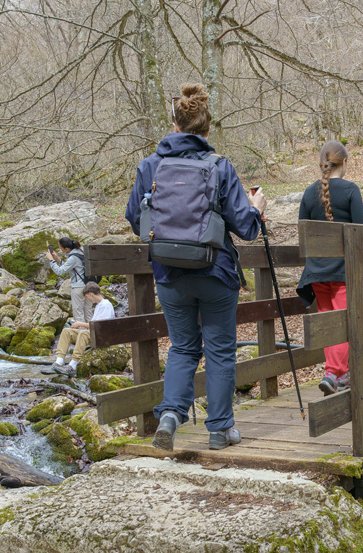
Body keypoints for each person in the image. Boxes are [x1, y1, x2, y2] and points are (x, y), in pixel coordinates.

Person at [124, 83, 267, 452]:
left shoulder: (150, 166)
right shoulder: (219, 166)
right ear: (206, 131)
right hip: (214, 271)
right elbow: (247, 228)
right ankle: (220, 430)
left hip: (169, 272)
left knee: (183, 347)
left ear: (174, 125)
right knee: (219, 348)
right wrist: (257, 207)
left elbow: (133, 217)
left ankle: (170, 416)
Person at [296, 140, 363, 396]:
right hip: (342, 271)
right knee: (346, 322)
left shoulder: (308, 192)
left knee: (329, 323)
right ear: (344, 162)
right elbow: (361, 232)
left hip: (316, 271)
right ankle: (332, 372)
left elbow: (303, 233)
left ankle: (341, 374)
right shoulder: (350, 191)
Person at [42, 283, 115, 377]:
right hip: (94, 334)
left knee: (83, 334)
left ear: (91, 294)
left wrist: (80, 324)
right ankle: (59, 362)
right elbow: (94, 325)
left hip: (102, 336)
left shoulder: (106, 305)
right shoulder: (99, 305)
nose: (87, 299)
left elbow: (98, 326)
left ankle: (72, 366)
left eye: (87, 297)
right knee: (66, 332)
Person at [45, 237, 92, 323]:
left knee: (78, 314)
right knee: (88, 312)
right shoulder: (80, 251)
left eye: (60, 247)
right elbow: (71, 267)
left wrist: (51, 260)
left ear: (66, 249)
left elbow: (60, 271)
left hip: (78, 288)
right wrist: (57, 259)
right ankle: (92, 334)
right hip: (88, 285)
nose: (59, 248)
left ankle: (82, 334)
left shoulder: (73, 258)